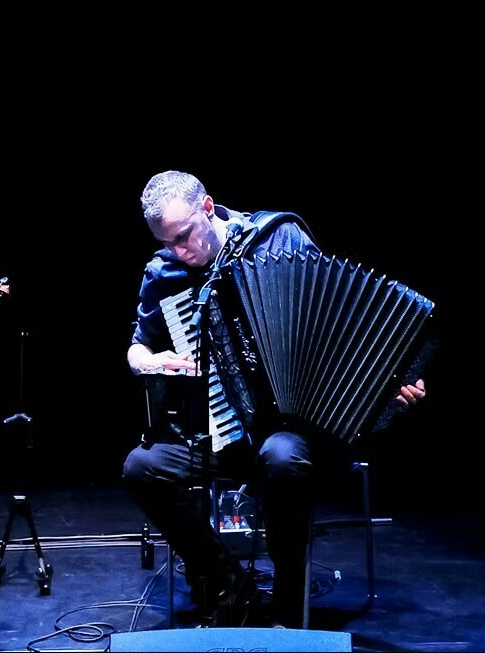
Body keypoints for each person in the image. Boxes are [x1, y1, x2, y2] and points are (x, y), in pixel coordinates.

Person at [120, 170, 425, 629]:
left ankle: (287, 608)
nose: (179, 251)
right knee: (141, 467)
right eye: (167, 243)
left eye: (184, 236)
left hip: (296, 432)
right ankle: (227, 582)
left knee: (281, 456)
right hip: (221, 433)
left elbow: (336, 314)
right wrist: (147, 362)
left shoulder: (279, 237)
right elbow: (137, 346)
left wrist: (387, 382)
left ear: (208, 208)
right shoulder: (165, 273)